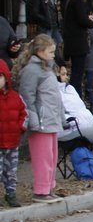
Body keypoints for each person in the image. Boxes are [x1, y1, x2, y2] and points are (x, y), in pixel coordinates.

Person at [13, 35, 64, 204]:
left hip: (51, 118)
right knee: (42, 156)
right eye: (50, 52)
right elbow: (27, 97)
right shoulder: (31, 70)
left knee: (51, 156)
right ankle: (41, 190)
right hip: (41, 120)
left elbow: (54, 95)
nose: (53, 55)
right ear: (40, 51)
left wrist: (60, 115)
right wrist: (33, 119)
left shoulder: (47, 68)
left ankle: (49, 187)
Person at [60, 0, 93, 94]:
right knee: (77, 73)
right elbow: (81, 19)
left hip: (70, 40)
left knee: (75, 72)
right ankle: (76, 97)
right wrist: (91, 22)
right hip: (78, 41)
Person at [0, 61, 27, 207]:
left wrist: (20, 127)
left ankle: (10, 194)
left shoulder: (15, 97)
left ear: (6, 78)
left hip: (12, 141)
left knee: (10, 171)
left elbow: (24, 113)